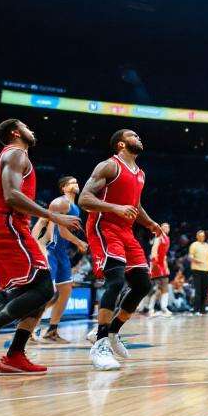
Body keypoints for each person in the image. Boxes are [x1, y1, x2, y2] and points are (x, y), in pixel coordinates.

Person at [0, 119, 82, 376]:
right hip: (7, 224)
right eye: (27, 127)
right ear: (16, 132)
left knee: (38, 291)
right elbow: (12, 196)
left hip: (5, 225)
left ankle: (14, 355)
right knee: (46, 287)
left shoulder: (13, 156)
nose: (31, 130)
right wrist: (54, 217)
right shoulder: (15, 153)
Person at [79, 129, 163, 371]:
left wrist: (149, 223)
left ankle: (112, 331)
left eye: (139, 134)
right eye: (133, 135)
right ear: (120, 145)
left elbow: (135, 205)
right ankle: (100, 344)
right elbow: (84, 199)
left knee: (143, 285)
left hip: (127, 231)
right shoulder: (108, 166)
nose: (139, 137)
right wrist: (115, 208)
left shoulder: (140, 173)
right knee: (114, 282)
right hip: (104, 227)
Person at [31, 175, 87, 343]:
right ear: (63, 188)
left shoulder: (75, 207)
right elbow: (55, 230)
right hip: (51, 251)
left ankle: (52, 330)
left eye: (77, 182)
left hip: (61, 252)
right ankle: (30, 329)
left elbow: (50, 224)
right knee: (47, 294)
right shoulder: (60, 202)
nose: (76, 184)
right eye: (72, 183)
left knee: (66, 291)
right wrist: (78, 242)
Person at [144, 223, 171, 316]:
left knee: (165, 286)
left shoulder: (167, 239)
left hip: (162, 264)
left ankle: (164, 308)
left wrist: (166, 267)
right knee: (156, 288)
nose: (166, 228)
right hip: (156, 263)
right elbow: (154, 250)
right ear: (161, 228)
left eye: (168, 227)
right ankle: (150, 308)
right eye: (164, 227)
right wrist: (154, 263)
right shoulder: (158, 237)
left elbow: (164, 255)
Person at [187, 230, 208, 315]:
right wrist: (194, 260)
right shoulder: (194, 245)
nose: (201, 237)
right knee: (198, 290)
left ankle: (203, 309)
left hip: (206, 270)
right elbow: (190, 256)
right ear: (197, 236)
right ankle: (196, 309)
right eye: (200, 236)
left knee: (205, 290)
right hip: (197, 270)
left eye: (203, 236)